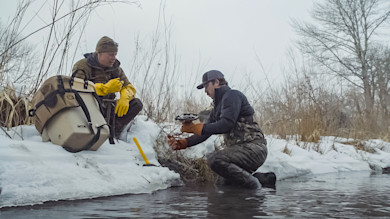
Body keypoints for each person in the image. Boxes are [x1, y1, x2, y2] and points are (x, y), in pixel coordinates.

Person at [168, 70, 275, 189]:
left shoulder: (232, 95)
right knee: (223, 184)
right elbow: (206, 132)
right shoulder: (217, 108)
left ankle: (255, 185)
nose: (205, 91)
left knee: (214, 159)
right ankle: (266, 180)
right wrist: (185, 143)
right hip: (240, 151)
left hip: (253, 148)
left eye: (206, 86)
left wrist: (198, 128)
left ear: (216, 82)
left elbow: (226, 124)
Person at [72, 36, 143, 139]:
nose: (114, 58)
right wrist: (103, 89)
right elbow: (75, 89)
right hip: (90, 106)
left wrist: (125, 97)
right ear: (99, 53)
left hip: (109, 107)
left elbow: (128, 86)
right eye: (110, 55)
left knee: (137, 104)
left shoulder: (116, 68)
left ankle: (114, 130)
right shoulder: (82, 66)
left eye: (115, 54)